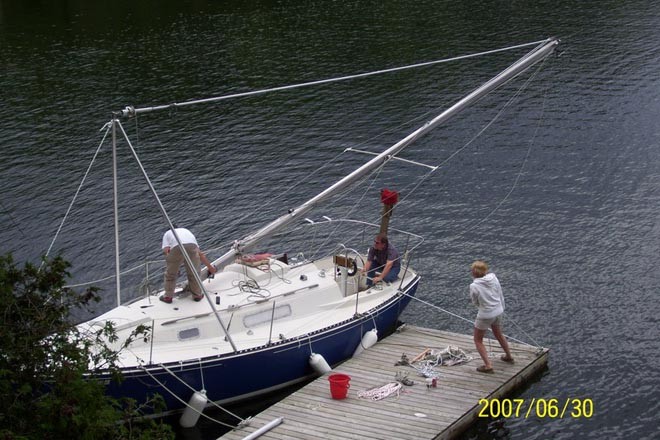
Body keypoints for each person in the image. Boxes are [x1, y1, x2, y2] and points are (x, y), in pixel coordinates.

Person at [469, 260, 514, 373]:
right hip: (498, 310)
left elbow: (474, 301)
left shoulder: (474, 285)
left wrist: (482, 306)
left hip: (485, 314)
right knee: (498, 333)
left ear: (473, 273)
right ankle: (508, 355)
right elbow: (499, 292)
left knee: (478, 340)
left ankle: (488, 365)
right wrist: (501, 306)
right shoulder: (493, 277)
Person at [160, 227, 216, 303]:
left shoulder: (167, 233)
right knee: (194, 272)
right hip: (191, 245)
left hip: (176, 247)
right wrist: (210, 267)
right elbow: (200, 254)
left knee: (171, 274)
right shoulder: (186, 231)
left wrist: (174, 266)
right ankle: (197, 295)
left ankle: (168, 297)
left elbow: (166, 250)